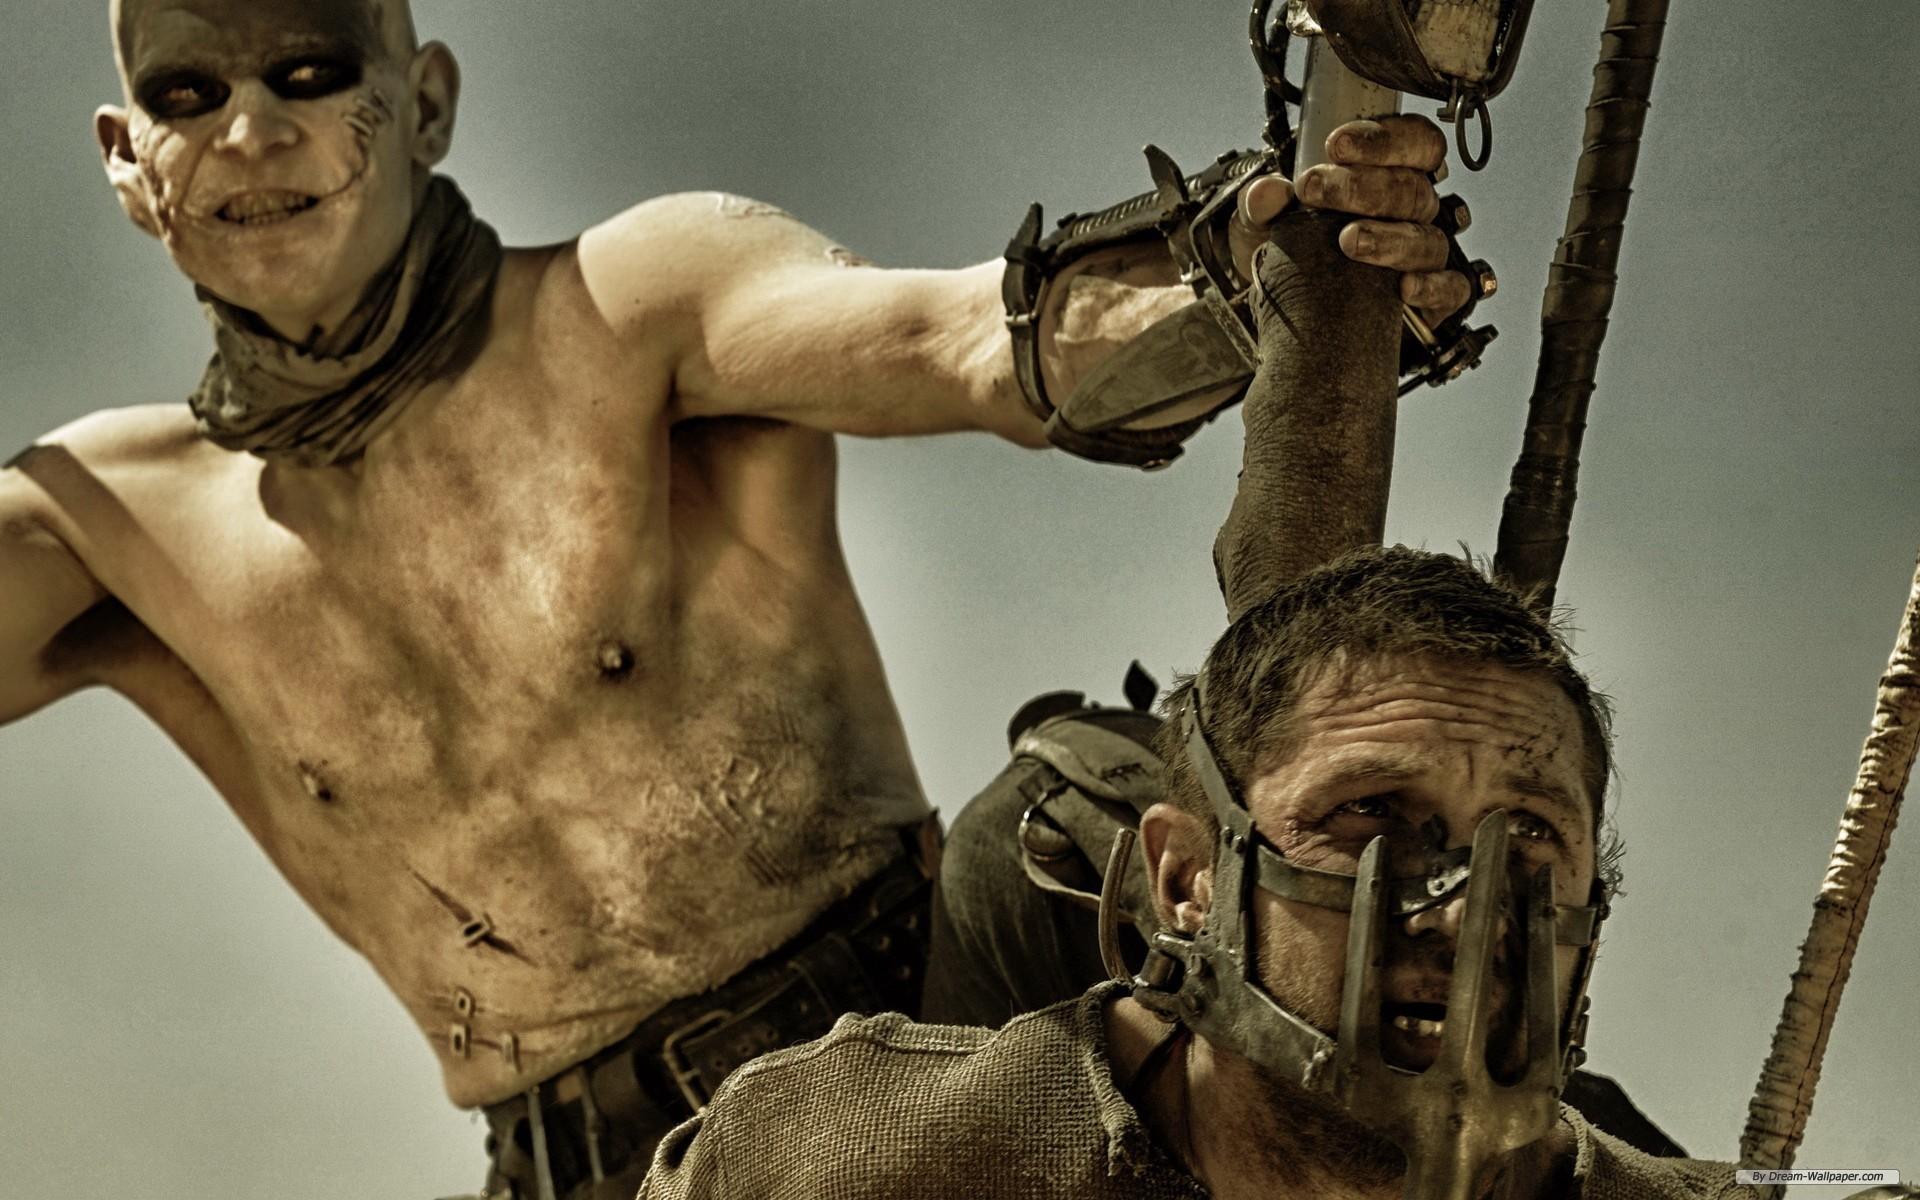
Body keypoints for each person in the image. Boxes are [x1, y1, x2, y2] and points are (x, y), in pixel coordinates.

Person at [0, 0, 1471, 1194]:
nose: (251, 130)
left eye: (311, 74)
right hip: (588, 1167)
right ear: (128, 156)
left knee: (1090, 813)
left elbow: (964, 339)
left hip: (915, 1037)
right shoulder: (105, 524)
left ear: (425, 101)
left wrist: (1275, 283)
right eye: (188, 95)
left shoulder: (627, 310)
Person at [639, 547, 1741, 1199]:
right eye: (1368, 814)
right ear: (1184, 881)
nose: (1459, 910)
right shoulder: (837, 1164)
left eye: (1532, 833)